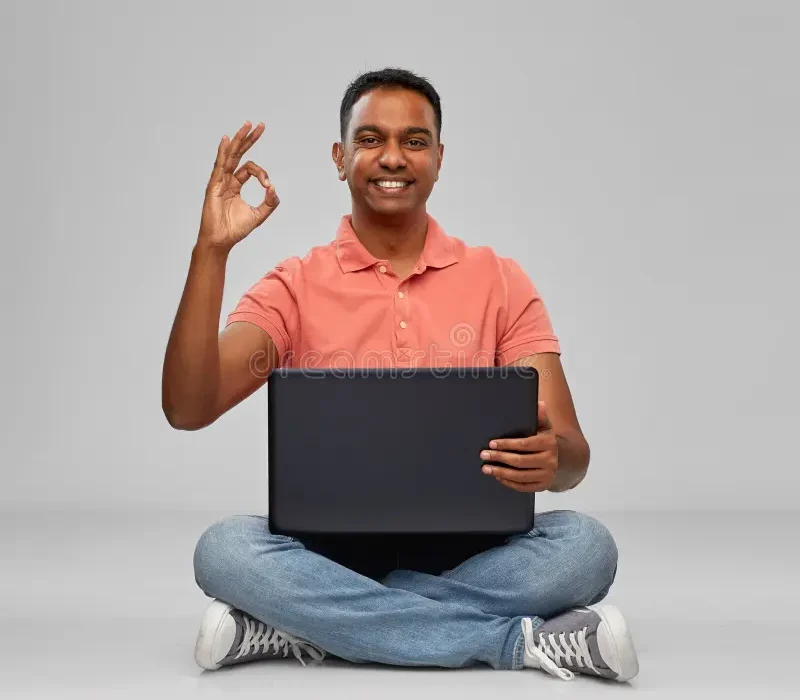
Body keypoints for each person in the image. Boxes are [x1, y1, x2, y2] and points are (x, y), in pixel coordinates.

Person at [162, 67, 640, 682]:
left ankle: (302, 626)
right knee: (225, 550)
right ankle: (515, 644)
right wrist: (212, 250)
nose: (393, 156)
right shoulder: (294, 286)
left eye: (415, 141)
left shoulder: (500, 279)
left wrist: (554, 459)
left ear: (439, 159)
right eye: (370, 139)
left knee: (586, 548)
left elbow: (573, 457)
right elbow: (187, 406)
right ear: (340, 158)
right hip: (328, 551)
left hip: (470, 551)